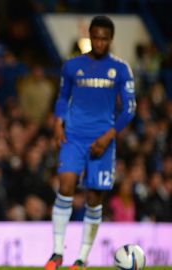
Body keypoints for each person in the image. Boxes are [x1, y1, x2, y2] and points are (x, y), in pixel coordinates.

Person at [45, 16, 136, 270]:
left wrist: (108, 136)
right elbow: (63, 97)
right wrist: (57, 121)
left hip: (102, 140)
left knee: (94, 197)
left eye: (104, 38)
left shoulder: (120, 69)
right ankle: (56, 253)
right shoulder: (72, 66)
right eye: (95, 37)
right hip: (73, 136)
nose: (99, 42)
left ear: (111, 39)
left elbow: (129, 109)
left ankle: (82, 258)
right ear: (90, 36)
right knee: (65, 186)